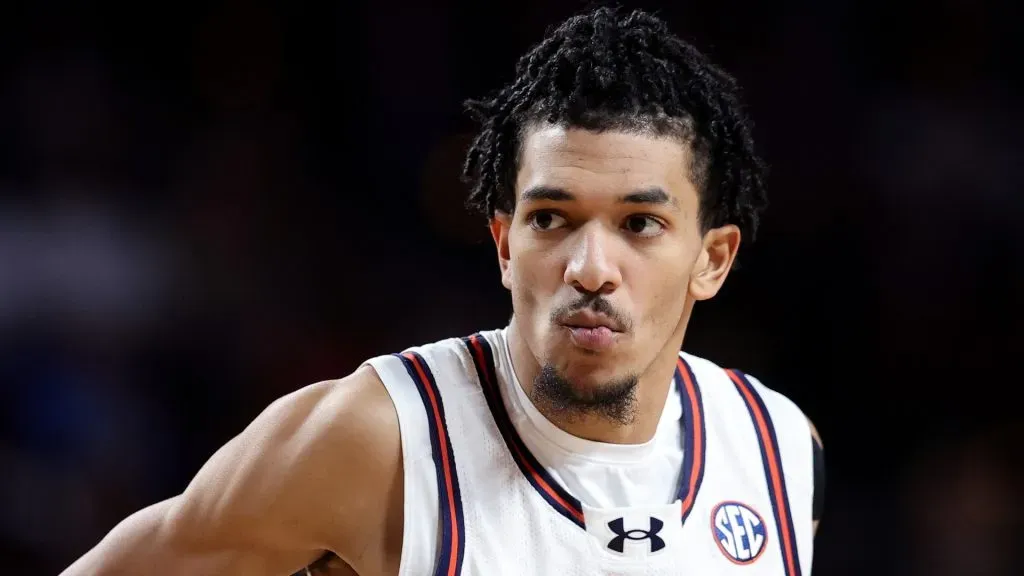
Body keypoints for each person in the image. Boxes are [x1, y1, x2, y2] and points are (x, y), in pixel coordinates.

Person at [61, 6, 824, 576]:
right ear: (504, 243)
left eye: (640, 224)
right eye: (551, 218)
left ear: (713, 259)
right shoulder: (375, 440)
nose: (590, 266)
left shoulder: (775, 448)